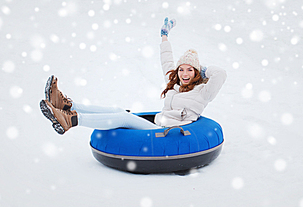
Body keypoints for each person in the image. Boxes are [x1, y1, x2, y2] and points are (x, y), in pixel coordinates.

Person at [40, 18, 227, 135]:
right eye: (181, 69)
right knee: (116, 110)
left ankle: (70, 120)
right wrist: (164, 35)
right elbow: (167, 60)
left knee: (124, 118)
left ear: (196, 73)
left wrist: (201, 68)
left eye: (190, 70)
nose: (184, 74)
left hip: (168, 133)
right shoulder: (174, 85)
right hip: (158, 124)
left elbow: (221, 74)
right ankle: (67, 105)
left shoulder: (203, 92)